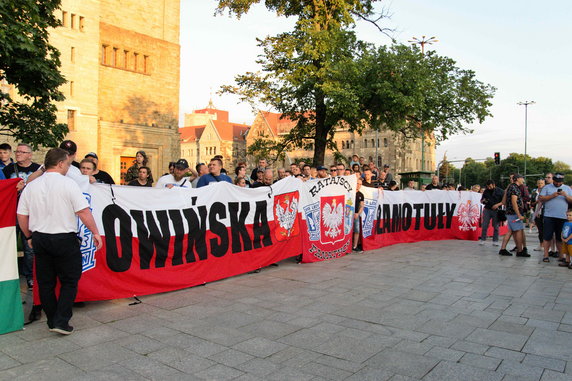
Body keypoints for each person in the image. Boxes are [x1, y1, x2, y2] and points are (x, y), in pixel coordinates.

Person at [16, 148, 102, 335]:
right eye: (68, 164)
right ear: (62, 163)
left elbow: (22, 215)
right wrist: (95, 232)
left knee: (46, 282)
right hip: (64, 238)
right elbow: (83, 212)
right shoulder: (68, 184)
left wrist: (29, 236)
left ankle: (53, 319)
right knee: (70, 280)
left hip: (40, 238)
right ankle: (61, 320)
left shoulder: (32, 186)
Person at [538, 173, 572, 262]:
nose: (557, 184)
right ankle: (546, 255)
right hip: (549, 216)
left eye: (559, 182)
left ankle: (561, 256)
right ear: (553, 180)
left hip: (562, 217)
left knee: (560, 237)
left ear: (563, 181)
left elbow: (571, 200)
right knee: (547, 236)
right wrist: (552, 195)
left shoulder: (567, 188)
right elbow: (540, 198)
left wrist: (566, 195)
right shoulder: (547, 187)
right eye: (556, 181)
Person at [498, 174, 529, 257]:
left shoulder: (509, 188)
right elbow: (514, 202)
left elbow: (504, 202)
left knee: (510, 231)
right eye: (522, 178)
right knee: (518, 231)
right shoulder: (515, 188)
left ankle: (503, 249)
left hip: (510, 212)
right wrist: (518, 214)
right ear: (518, 179)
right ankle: (520, 251)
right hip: (514, 213)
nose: (523, 179)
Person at [479, 180, 504, 246]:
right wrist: (483, 200)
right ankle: (483, 239)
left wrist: (497, 205)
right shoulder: (486, 191)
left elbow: (504, 201)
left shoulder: (500, 191)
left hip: (496, 210)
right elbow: (482, 200)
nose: (489, 188)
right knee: (484, 225)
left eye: (490, 186)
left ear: (494, 185)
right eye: (488, 186)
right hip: (487, 209)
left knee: (496, 226)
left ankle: (495, 240)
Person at [352, 178, 365, 253]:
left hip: (356, 215)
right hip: (348, 214)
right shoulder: (350, 192)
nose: (358, 185)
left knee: (357, 231)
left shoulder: (361, 195)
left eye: (360, 184)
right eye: (357, 183)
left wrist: (358, 213)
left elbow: (362, 206)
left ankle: (355, 246)